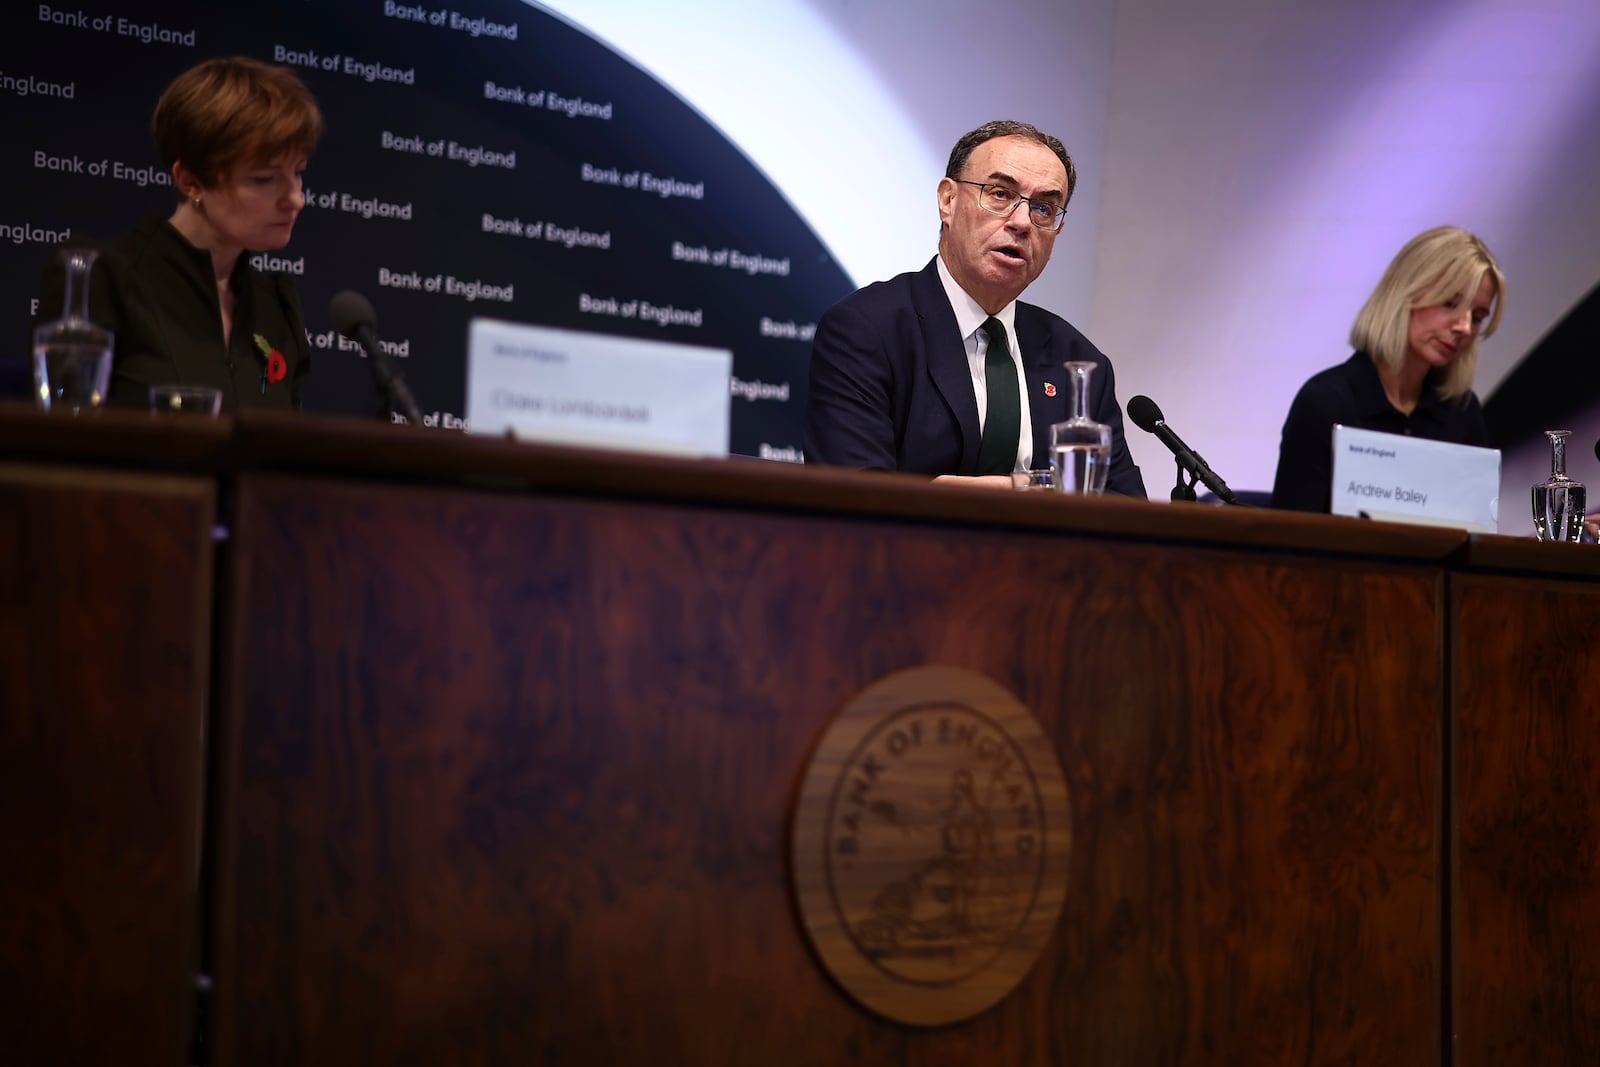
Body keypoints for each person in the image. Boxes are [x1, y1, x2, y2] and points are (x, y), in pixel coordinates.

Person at [803, 120, 1146, 496]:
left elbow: (1125, 509)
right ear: (948, 201)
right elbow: (854, 498)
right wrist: (1040, 492)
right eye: (1000, 194)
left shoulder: (1077, 359)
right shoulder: (868, 330)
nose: (1021, 223)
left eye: (1044, 208)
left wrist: (1018, 490)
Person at [34, 56, 322, 410]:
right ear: (190, 181)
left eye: (299, 172)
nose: (296, 198)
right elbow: (65, 435)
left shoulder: (276, 304)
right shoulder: (100, 277)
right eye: (264, 179)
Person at [1270, 226, 1505, 512]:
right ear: (1405, 293)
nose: (1465, 327)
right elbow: (1290, 539)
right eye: (1451, 303)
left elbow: (1475, 535)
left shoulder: (1463, 412)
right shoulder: (1324, 402)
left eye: (1478, 317)